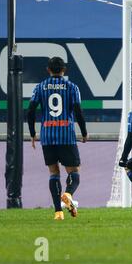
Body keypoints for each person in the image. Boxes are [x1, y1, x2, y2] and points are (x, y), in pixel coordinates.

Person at [27, 57, 88, 220]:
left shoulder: (40, 87)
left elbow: (30, 111)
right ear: (64, 70)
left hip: (47, 135)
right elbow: (78, 111)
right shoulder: (72, 87)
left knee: (53, 172)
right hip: (66, 134)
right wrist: (84, 131)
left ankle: (58, 212)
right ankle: (68, 194)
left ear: (48, 69)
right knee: (74, 171)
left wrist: (32, 133)